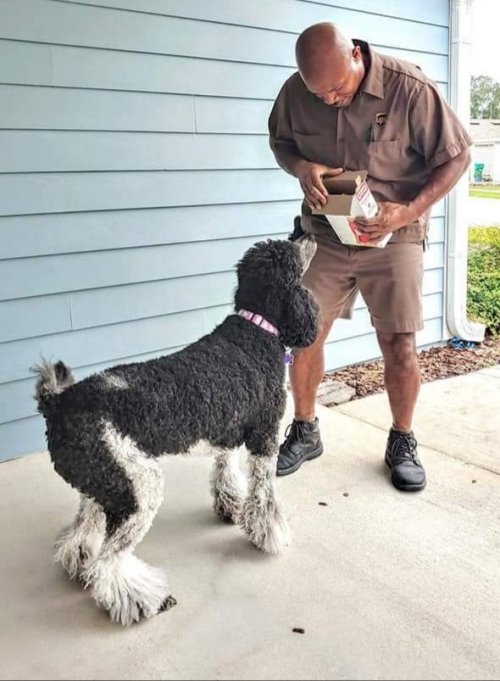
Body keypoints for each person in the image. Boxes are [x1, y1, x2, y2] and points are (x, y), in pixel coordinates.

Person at [268, 22, 472, 491]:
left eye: (337, 88)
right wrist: (303, 168)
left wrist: (409, 211)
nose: (329, 100)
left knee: (398, 343)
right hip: (325, 233)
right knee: (302, 336)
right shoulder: (298, 92)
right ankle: (305, 428)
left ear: (356, 55)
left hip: (393, 236)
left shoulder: (410, 87)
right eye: (318, 94)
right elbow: (281, 142)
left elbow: (457, 156)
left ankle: (402, 440)